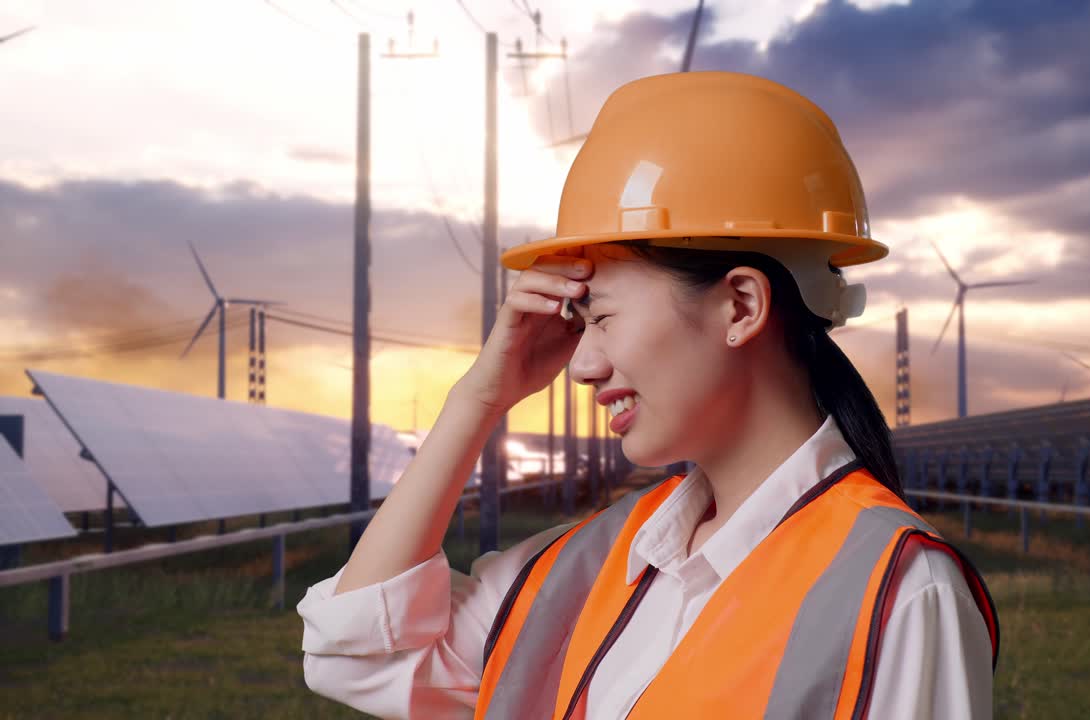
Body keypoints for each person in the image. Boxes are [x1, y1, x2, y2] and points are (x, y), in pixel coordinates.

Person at [298, 70, 999, 720]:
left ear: (741, 306)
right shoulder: (600, 558)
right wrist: (478, 398)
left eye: (600, 317)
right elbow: (360, 649)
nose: (581, 366)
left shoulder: (900, 589)